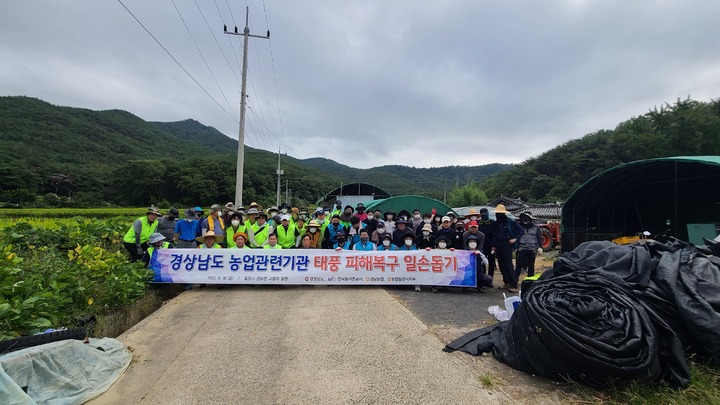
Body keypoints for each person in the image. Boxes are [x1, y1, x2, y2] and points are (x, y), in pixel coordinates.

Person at [492, 204, 525, 294]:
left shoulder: (510, 221)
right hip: (498, 244)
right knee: (501, 264)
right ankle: (506, 282)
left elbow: (522, 231)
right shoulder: (496, 223)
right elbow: (494, 234)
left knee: (508, 264)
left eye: (500, 213)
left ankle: (514, 284)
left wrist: (515, 239)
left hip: (507, 243)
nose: (498, 215)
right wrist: (494, 245)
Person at [515, 212, 543, 282]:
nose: (525, 220)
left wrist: (540, 247)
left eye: (527, 218)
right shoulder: (519, 227)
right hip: (521, 249)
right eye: (524, 218)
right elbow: (516, 237)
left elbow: (539, 238)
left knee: (531, 265)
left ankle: (530, 281)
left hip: (532, 249)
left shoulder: (536, 228)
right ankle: (514, 280)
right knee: (518, 265)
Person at [477, 208, 497, 278]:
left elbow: (495, 235)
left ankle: (490, 277)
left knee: (491, 262)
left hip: (491, 245)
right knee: (482, 262)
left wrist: (494, 245)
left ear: (488, 213)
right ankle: (483, 277)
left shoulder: (493, 223)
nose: (484, 216)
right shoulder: (478, 223)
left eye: (485, 214)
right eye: (482, 215)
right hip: (481, 245)